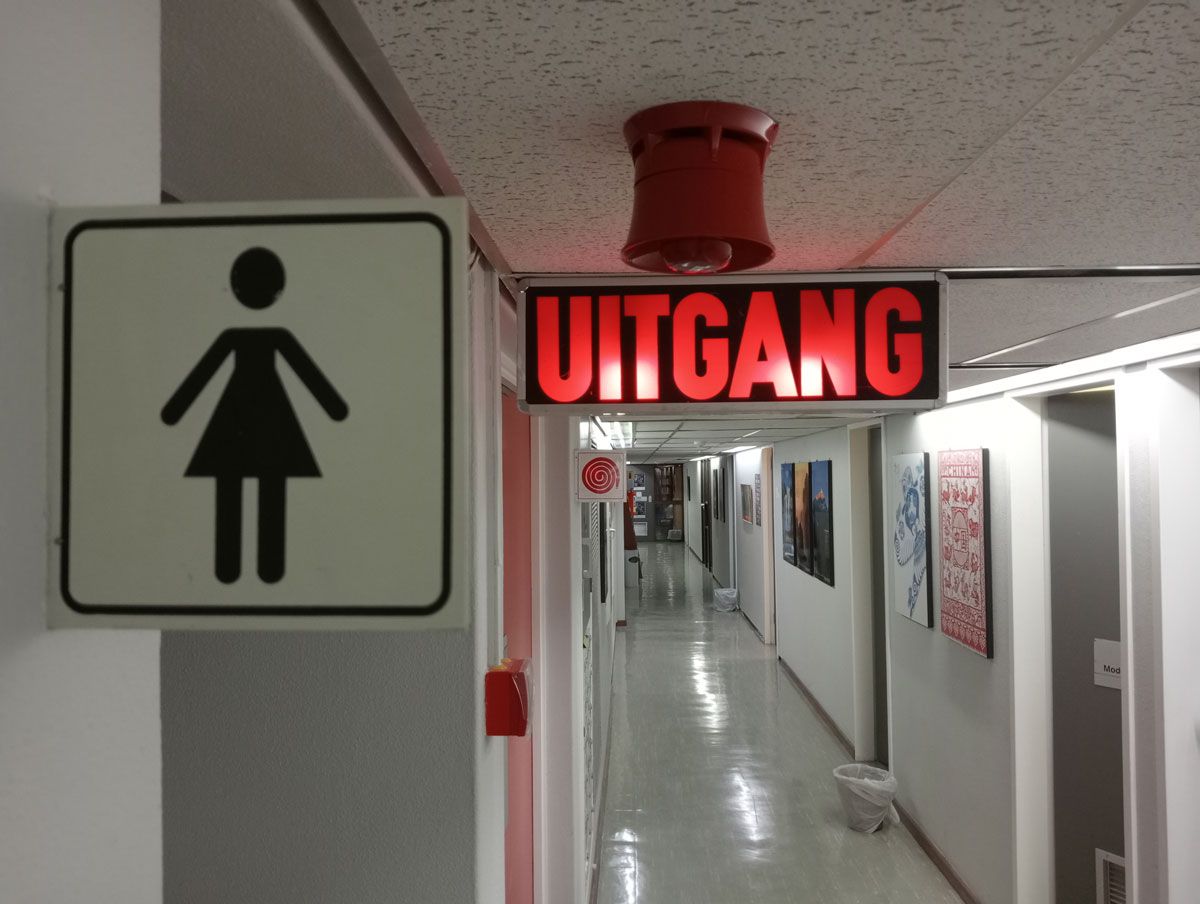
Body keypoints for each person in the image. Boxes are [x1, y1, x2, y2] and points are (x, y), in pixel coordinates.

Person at [161, 247, 348, 584]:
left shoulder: (259, 336)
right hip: (262, 418)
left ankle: (256, 569)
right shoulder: (248, 336)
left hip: (244, 418)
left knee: (253, 487)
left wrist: (174, 411)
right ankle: (240, 569)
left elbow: (306, 373)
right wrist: (335, 408)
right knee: (246, 486)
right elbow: (204, 373)